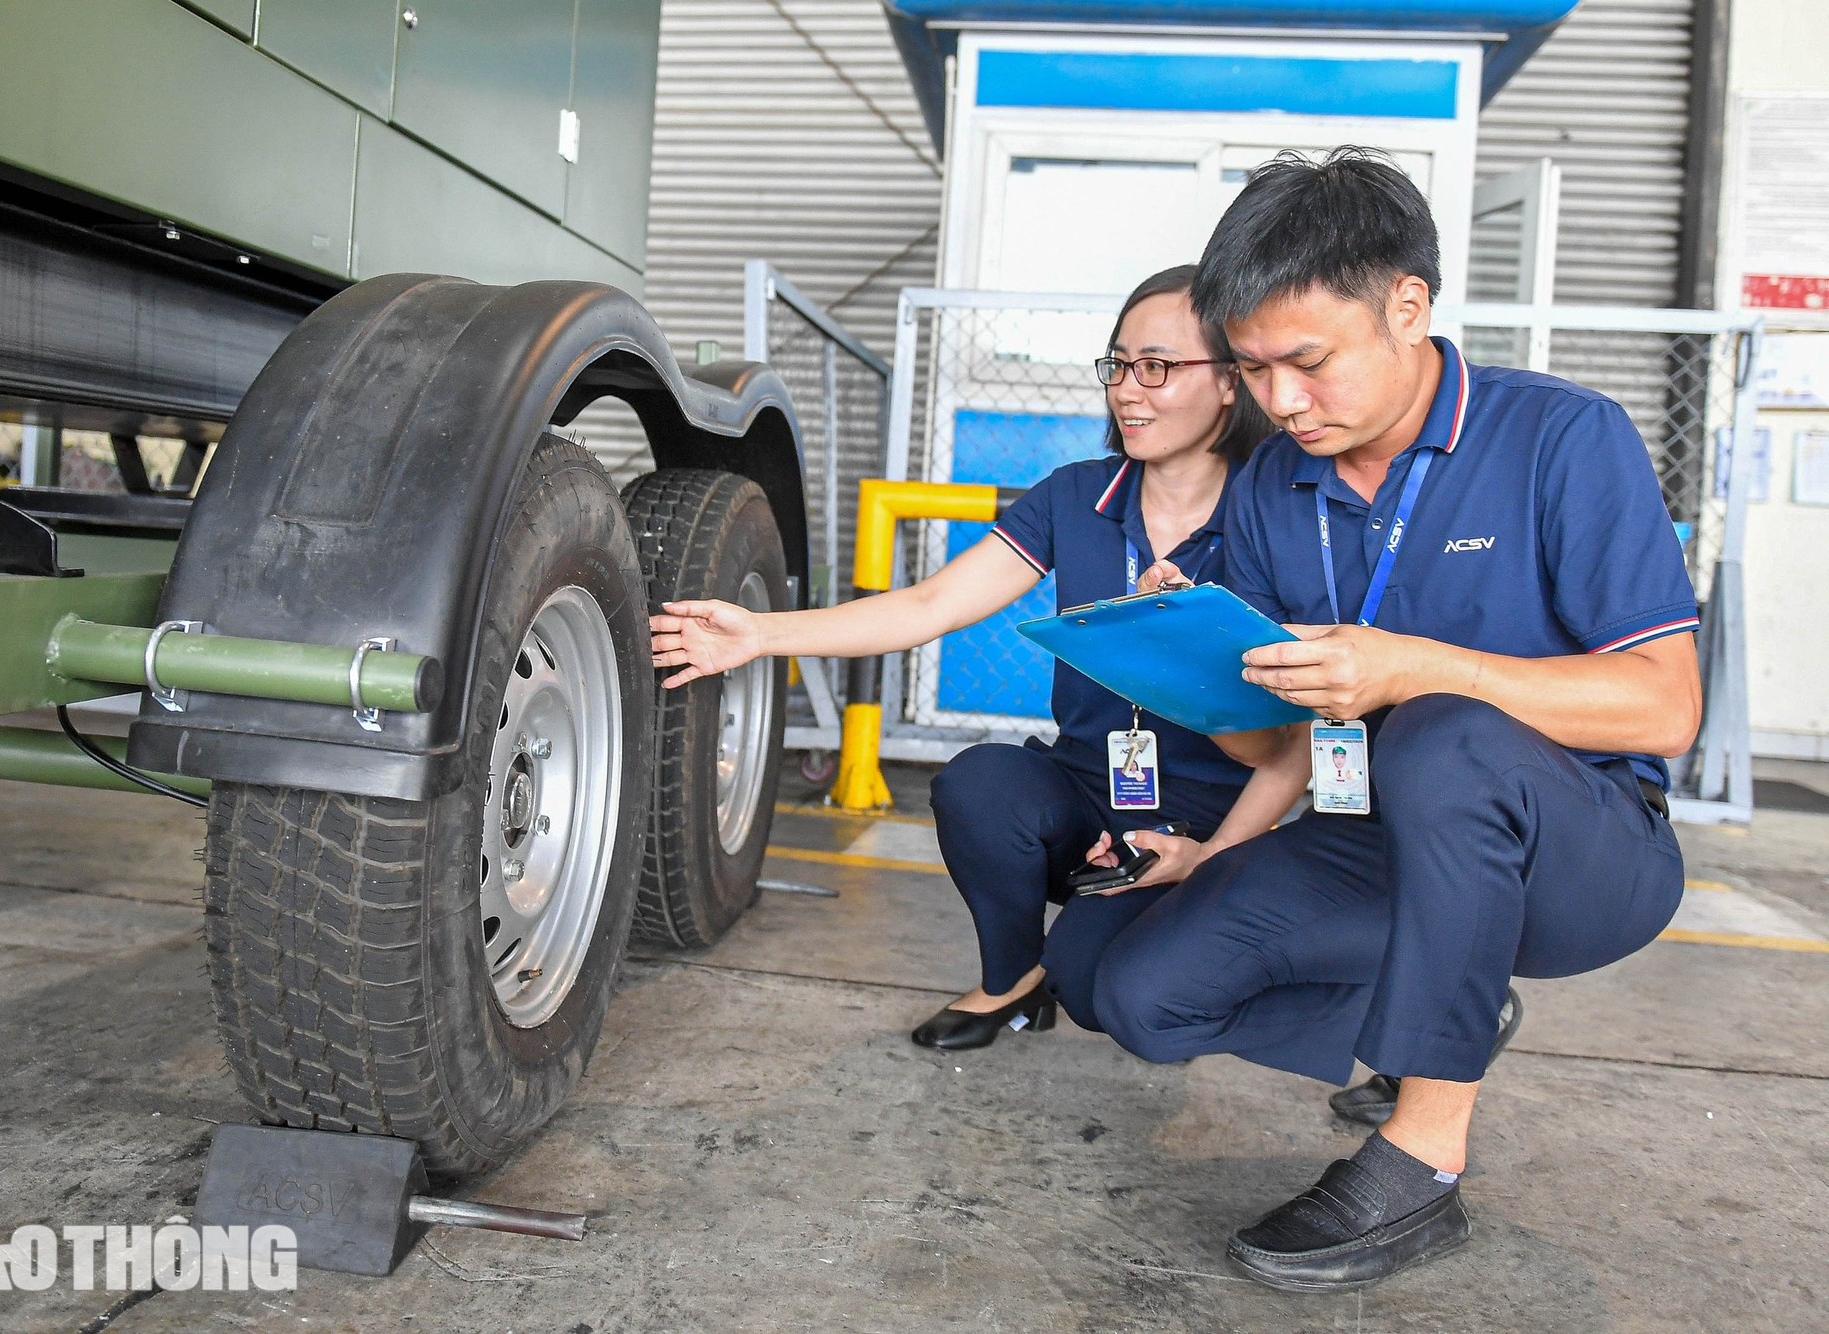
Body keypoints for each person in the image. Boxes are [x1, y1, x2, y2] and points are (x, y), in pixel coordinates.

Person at [1082, 149, 1700, 1291]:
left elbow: (1663, 704)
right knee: (1131, 988)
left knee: (1442, 726)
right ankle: (1454, 992)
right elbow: (1277, 749)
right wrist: (1193, 670)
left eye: (1307, 363)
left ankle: (1420, 1159)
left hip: (1584, 847)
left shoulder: (1561, 438)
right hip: (1371, 827)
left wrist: (1415, 666)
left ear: (1405, 305)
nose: (1279, 403)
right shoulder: (1273, 486)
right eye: (1255, 370)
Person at [648, 265, 1305, 1051]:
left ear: (1232, 382)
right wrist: (762, 633)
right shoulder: (1077, 497)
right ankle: (1013, 986)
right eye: (1118, 365)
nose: (1128, 389)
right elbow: (929, 606)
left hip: (1210, 813)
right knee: (980, 789)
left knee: (1103, 986)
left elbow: (1296, 740)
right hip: (1091, 783)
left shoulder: (1278, 517)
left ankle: (1379, 1000)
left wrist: (1209, 856)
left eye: (1157, 367)